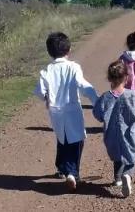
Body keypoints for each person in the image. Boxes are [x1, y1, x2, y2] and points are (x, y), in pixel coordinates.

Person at [35, 32, 99, 191]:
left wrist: (47, 98)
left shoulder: (46, 71)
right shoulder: (73, 67)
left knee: (62, 138)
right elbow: (84, 86)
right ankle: (72, 173)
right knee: (76, 141)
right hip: (72, 111)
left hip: (56, 113)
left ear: (49, 51)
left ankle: (61, 167)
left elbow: (39, 92)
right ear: (69, 50)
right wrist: (97, 101)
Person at [92, 60, 135, 198]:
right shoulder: (132, 95)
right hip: (131, 133)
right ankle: (127, 176)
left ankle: (117, 179)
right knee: (132, 157)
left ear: (109, 78)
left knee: (117, 155)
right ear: (126, 77)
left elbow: (97, 114)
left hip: (111, 134)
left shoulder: (105, 97)